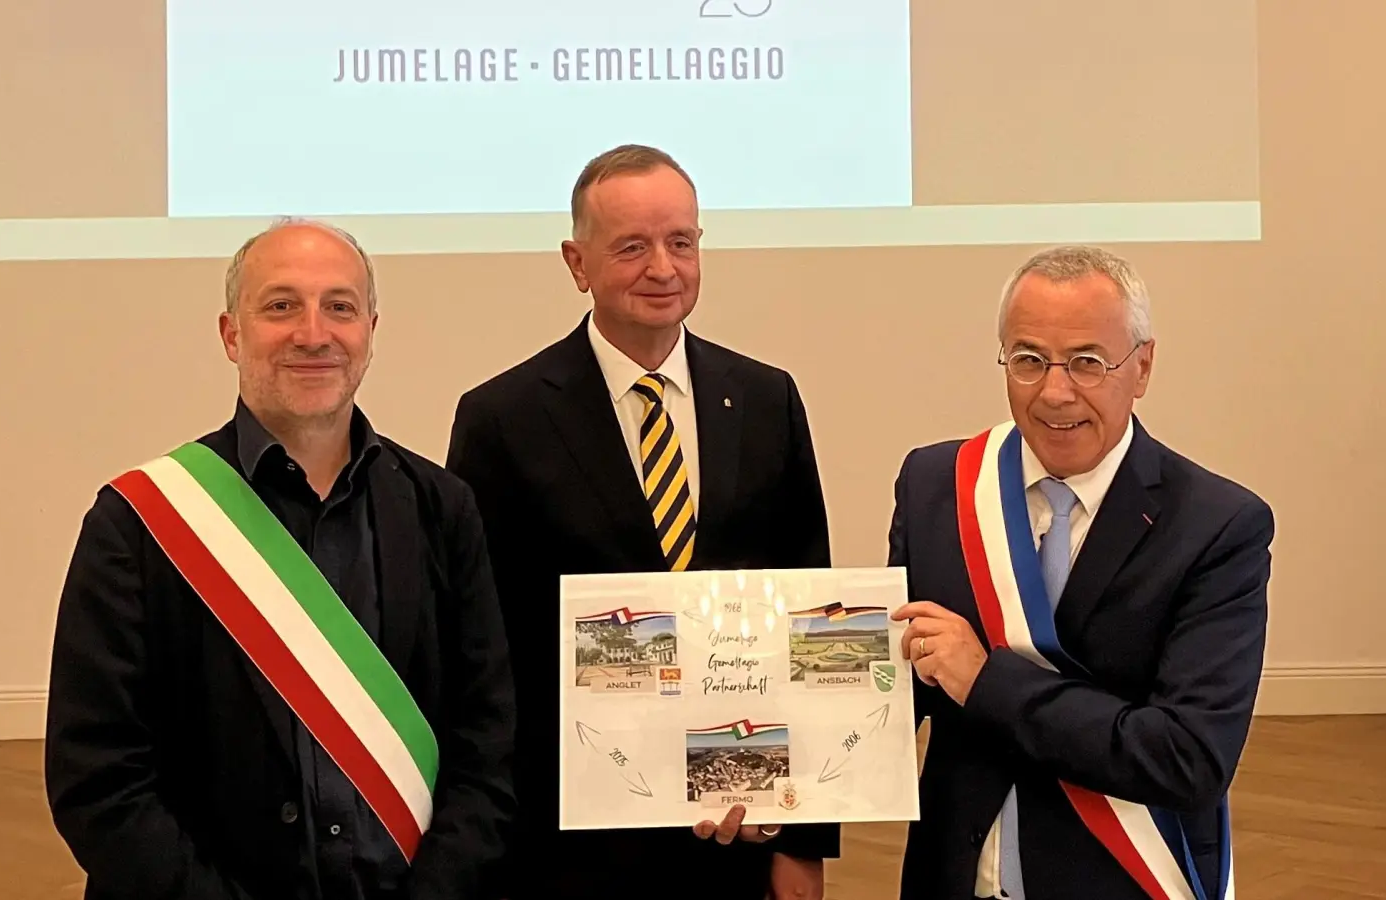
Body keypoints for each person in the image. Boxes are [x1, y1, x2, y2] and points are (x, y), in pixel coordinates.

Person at [44, 218, 516, 900]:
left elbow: (487, 750)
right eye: (281, 305)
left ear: (371, 333)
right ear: (231, 335)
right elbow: (98, 779)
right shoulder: (138, 522)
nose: (314, 333)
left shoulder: (443, 510)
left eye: (340, 307)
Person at [445, 144, 839, 900]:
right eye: (632, 246)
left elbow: (809, 625)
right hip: (567, 849)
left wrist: (803, 840)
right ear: (576, 261)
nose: (663, 267)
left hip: (737, 830)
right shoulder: (503, 418)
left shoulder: (767, 400)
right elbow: (483, 653)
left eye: (681, 242)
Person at [886, 245, 1271, 900]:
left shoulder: (1217, 526)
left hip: (1123, 881)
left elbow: (1186, 759)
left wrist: (986, 680)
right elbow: (890, 693)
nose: (1055, 392)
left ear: (1142, 366)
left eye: (1088, 363)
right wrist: (768, 794)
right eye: (1029, 360)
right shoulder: (937, 485)